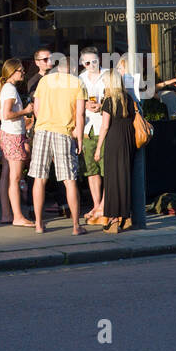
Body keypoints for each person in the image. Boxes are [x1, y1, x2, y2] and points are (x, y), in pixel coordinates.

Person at [28, 60, 86, 234]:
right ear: (72, 69)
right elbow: (80, 114)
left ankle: (38, 224)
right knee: (69, 180)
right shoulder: (77, 83)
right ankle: (76, 226)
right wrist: (80, 139)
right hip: (64, 132)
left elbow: (36, 109)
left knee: (39, 179)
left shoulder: (45, 81)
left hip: (42, 131)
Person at [94, 69, 137, 232]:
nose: (104, 84)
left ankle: (112, 218)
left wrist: (98, 148)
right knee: (125, 178)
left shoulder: (109, 101)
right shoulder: (128, 98)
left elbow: (105, 126)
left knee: (112, 179)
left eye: (105, 82)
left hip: (113, 140)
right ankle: (125, 217)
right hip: (128, 140)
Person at [0, 59, 34, 227]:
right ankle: (18, 216)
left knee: (6, 175)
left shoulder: (6, 88)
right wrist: (25, 111)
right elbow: (6, 114)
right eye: (20, 71)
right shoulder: (10, 89)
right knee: (15, 177)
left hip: (6, 134)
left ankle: (7, 214)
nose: (23, 73)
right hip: (13, 136)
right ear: (11, 72)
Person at [78, 46, 106, 223]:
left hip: (104, 126)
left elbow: (115, 97)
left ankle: (104, 205)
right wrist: (85, 105)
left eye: (94, 61)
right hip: (88, 128)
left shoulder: (108, 75)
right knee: (91, 170)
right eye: (87, 62)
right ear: (82, 63)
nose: (91, 65)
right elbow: (75, 102)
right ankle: (96, 205)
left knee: (106, 168)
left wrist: (102, 105)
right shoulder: (79, 79)